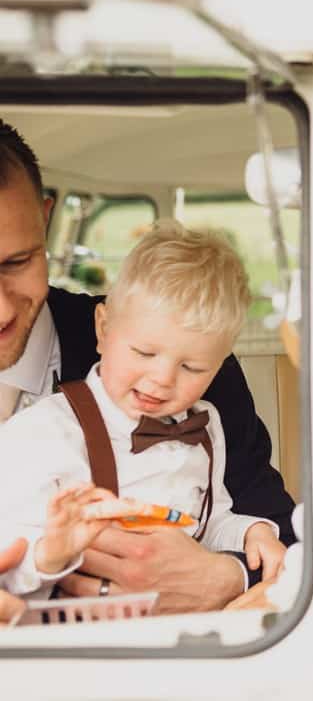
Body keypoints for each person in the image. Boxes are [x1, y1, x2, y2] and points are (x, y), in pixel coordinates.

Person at [0, 119, 294, 611]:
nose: (163, 378)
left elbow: (283, 538)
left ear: (45, 221)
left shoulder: (202, 394)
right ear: (105, 328)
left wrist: (227, 575)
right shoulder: (45, 429)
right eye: (143, 355)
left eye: (15, 263)